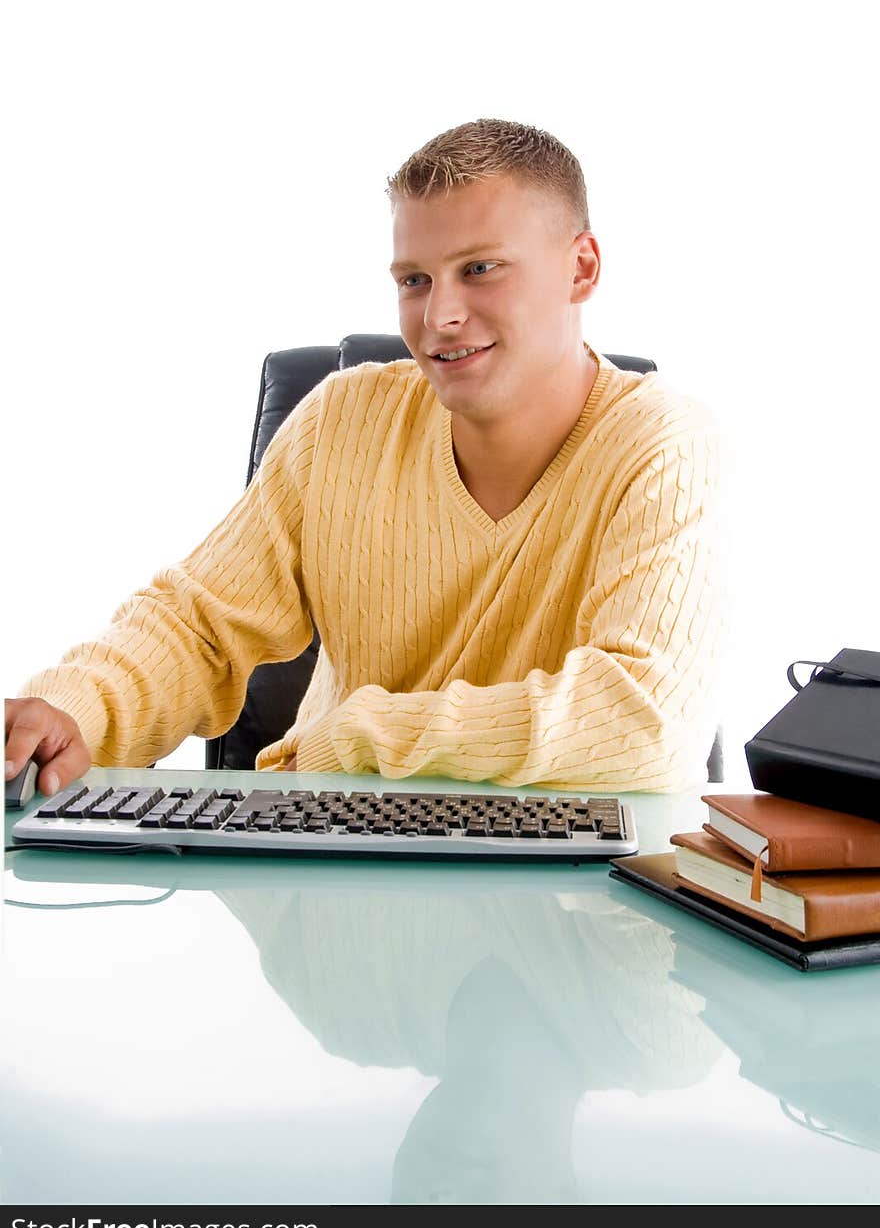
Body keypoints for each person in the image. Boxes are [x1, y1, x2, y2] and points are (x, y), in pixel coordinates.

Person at [4, 118, 724, 796]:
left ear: (582, 267)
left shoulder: (662, 444)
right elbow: (197, 625)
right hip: (335, 876)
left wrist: (350, 736)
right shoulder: (342, 421)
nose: (439, 316)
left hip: (568, 900)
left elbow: (642, 726)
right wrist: (73, 710)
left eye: (479, 269)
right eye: (414, 279)